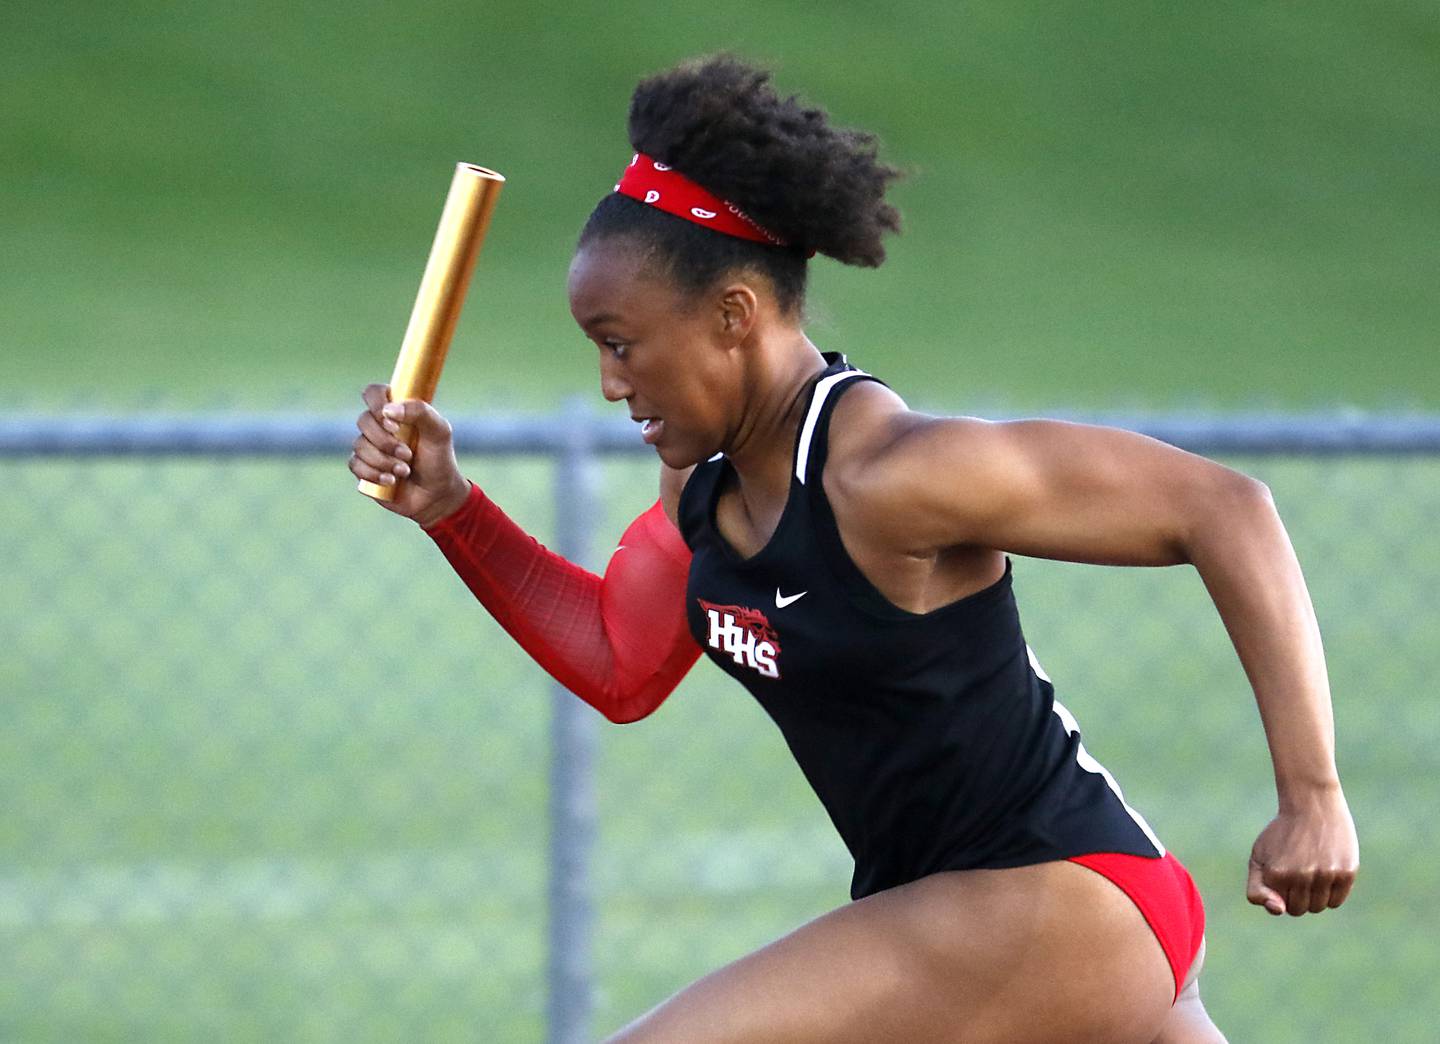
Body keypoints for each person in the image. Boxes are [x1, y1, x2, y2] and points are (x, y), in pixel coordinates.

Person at [349, 54, 1358, 1043]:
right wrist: (452, 509)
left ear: (734, 315)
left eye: (621, 342)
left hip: (1059, 896)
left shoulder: (889, 473)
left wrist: (1311, 798)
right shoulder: (706, 490)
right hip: (966, 924)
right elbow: (620, 660)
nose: (612, 383)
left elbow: (1225, 509)